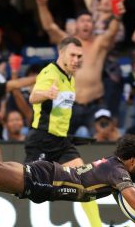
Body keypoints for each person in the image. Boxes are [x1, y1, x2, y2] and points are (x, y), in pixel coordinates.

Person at [0, 103, 135, 227]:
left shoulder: (116, 174)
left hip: (47, 185)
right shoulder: (118, 171)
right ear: (133, 160)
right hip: (47, 178)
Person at [24, 36, 101, 225]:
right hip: (41, 139)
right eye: (72, 55)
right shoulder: (50, 73)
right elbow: (33, 97)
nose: (76, 60)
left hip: (61, 141)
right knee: (24, 185)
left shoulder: (70, 77)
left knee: (86, 182)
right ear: (61, 53)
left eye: (79, 56)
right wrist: (46, 94)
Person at [35, 0, 126, 137]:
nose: (86, 24)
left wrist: (117, 16)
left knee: (103, 141)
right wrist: (42, 5)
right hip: (68, 103)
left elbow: (111, 33)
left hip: (96, 104)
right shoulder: (67, 42)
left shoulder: (99, 43)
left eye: (89, 21)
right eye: (82, 21)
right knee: (58, 141)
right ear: (76, 24)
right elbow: (49, 27)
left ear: (93, 25)